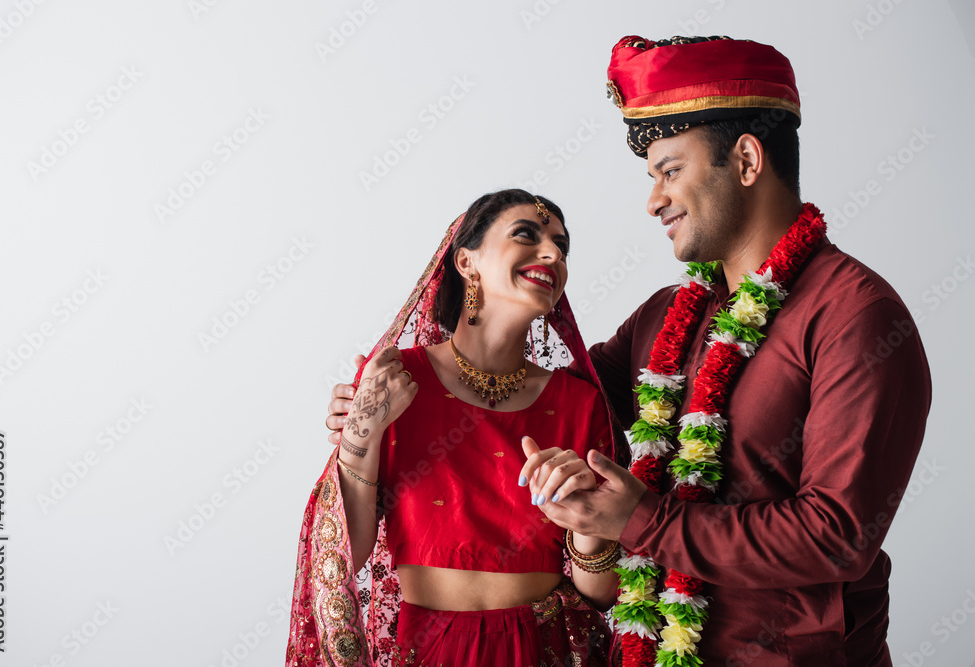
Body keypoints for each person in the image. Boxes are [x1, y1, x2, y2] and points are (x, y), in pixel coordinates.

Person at [329, 35, 932, 666]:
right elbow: (538, 398)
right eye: (652, 178)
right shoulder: (667, 318)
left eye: (671, 170)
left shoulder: (855, 317)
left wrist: (642, 519)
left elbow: (837, 538)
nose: (654, 201)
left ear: (748, 159)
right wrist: (380, 414)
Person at [288, 189, 630, 667]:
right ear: (467, 262)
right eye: (526, 235)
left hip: (544, 648)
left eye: (562, 245)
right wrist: (361, 435)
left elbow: (603, 595)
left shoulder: (580, 403)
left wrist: (585, 520)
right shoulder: (395, 383)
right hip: (432, 649)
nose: (552, 253)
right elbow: (351, 550)